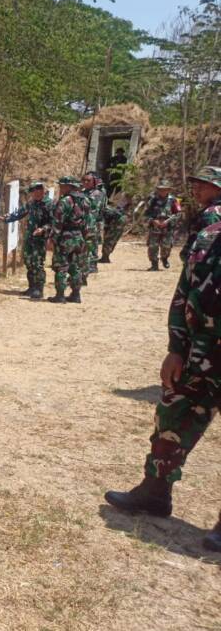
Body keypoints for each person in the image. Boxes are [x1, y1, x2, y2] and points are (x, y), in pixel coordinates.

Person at [104, 219, 221, 553]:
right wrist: (175, 347)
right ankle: (154, 491)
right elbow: (184, 292)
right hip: (199, 356)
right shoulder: (210, 234)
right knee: (170, 419)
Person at [0, 180, 52, 300]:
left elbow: (53, 222)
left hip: (40, 240)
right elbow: (19, 213)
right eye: (31, 192)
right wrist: (5, 218)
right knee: (29, 262)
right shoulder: (32, 203)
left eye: (34, 191)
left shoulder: (49, 204)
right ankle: (31, 286)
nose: (32, 194)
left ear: (41, 190)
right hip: (30, 238)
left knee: (38, 264)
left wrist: (43, 229)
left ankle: (39, 288)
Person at [48, 176, 88, 304]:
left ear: (68, 187)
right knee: (76, 266)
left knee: (61, 266)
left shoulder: (65, 201)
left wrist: (52, 239)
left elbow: (58, 222)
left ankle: (60, 295)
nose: (60, 188)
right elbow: (88, 221)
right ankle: (76, 294)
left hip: (65, 237)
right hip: (79, 237)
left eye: (62, 186)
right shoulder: (85, 200)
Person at [179, 166, 221, 263]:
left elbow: (203, 256)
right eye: (194, 187)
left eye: (202, 187)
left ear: (219, 189)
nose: (196, 191)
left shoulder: (212, 214)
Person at [144, 180, 181, 270]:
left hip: (167, 227)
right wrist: (153, 220)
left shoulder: (174, 200)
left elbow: (178, 214)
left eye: (165, 189)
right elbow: (146, 213)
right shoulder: (152, 199)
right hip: (155, 226)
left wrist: (167, 221)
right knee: (153, 246)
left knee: (166, 246)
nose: (162, 191)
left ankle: (164, 258)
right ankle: (154, 264)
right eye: (160, 189)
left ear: (168, 190)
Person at [82, 172, 107, 274]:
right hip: (85, 221)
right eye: (84, 180)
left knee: (92, 243)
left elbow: (94, 210)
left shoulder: (97, 194)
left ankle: (93, 265)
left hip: (93, 222)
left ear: (94, 182)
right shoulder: (85, 192)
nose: (85, 182)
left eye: (88, 180)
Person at [99, 198, 129, 264]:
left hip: (117, 222)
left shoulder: (105, 210)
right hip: (120, 221)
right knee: (113, 239)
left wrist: (106, 229)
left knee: (109, 239)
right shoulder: (110, 209)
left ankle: (105, 258)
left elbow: (107, 222)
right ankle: (106, 256)